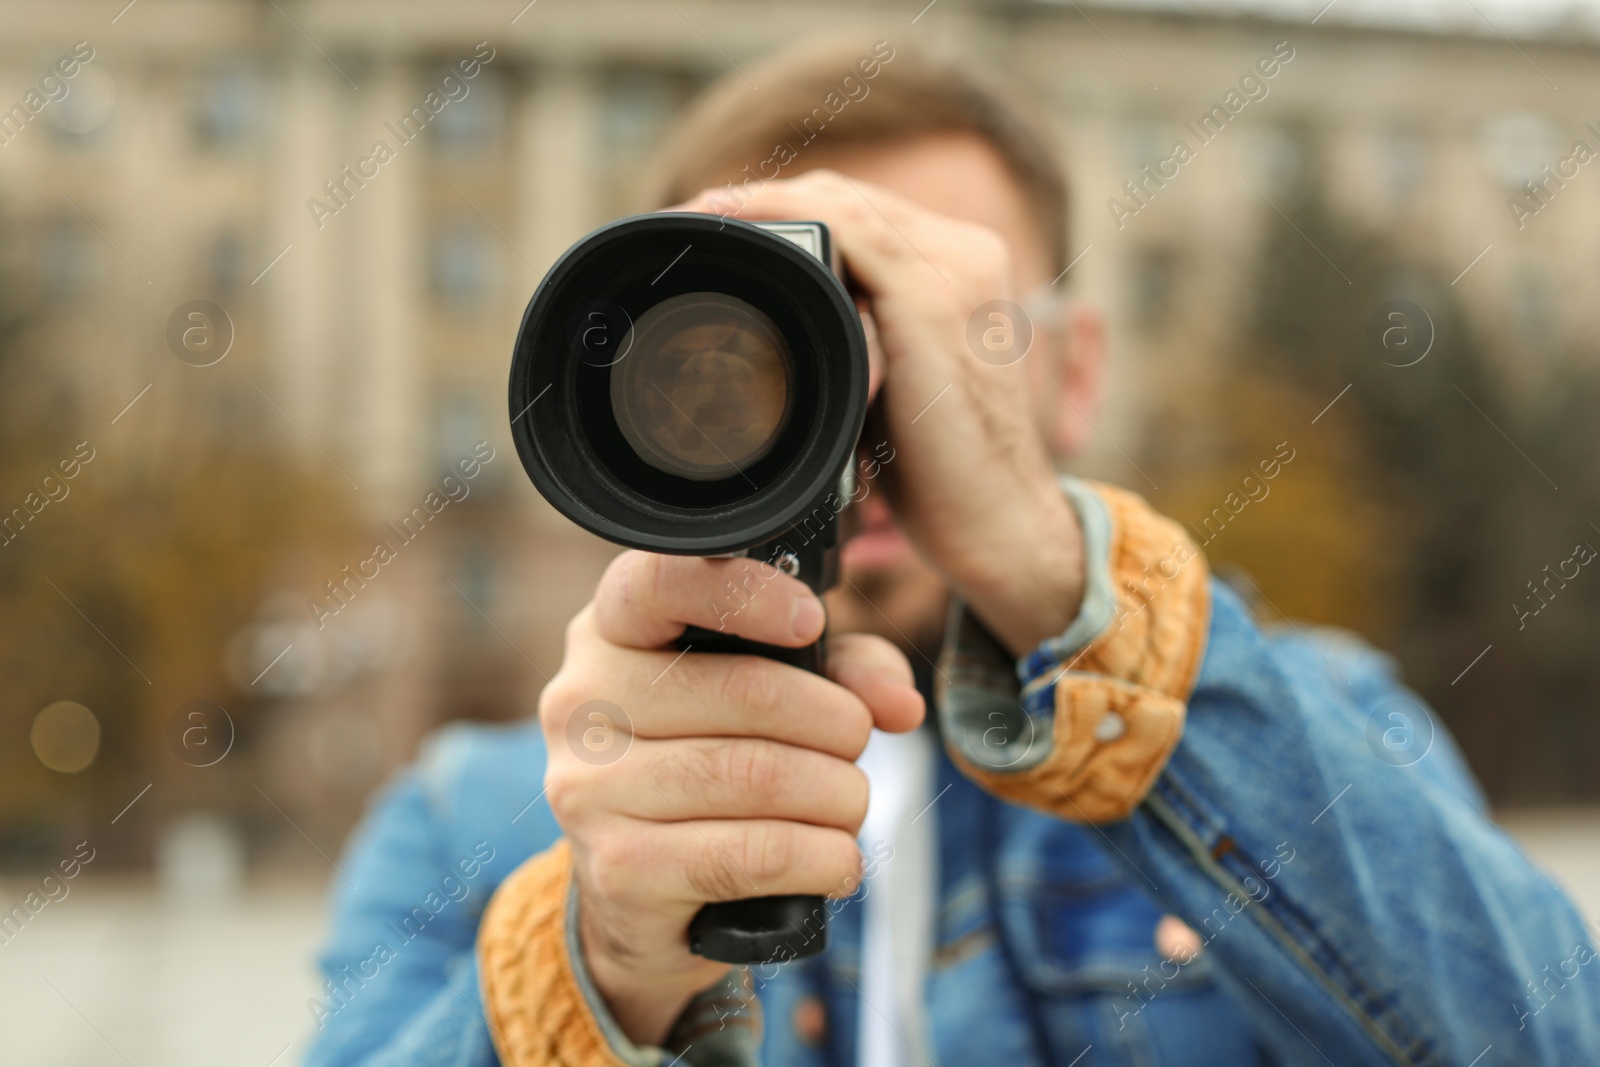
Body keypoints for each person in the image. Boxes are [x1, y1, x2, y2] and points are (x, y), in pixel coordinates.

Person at [303, 41, 1600, 1067]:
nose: (852, 401)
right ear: (644, 388)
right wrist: (603, 978)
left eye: (931, 313)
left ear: (1076, 371)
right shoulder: (473, 821)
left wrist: (1063, 582)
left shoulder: (1306, 731)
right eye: (768, 336)